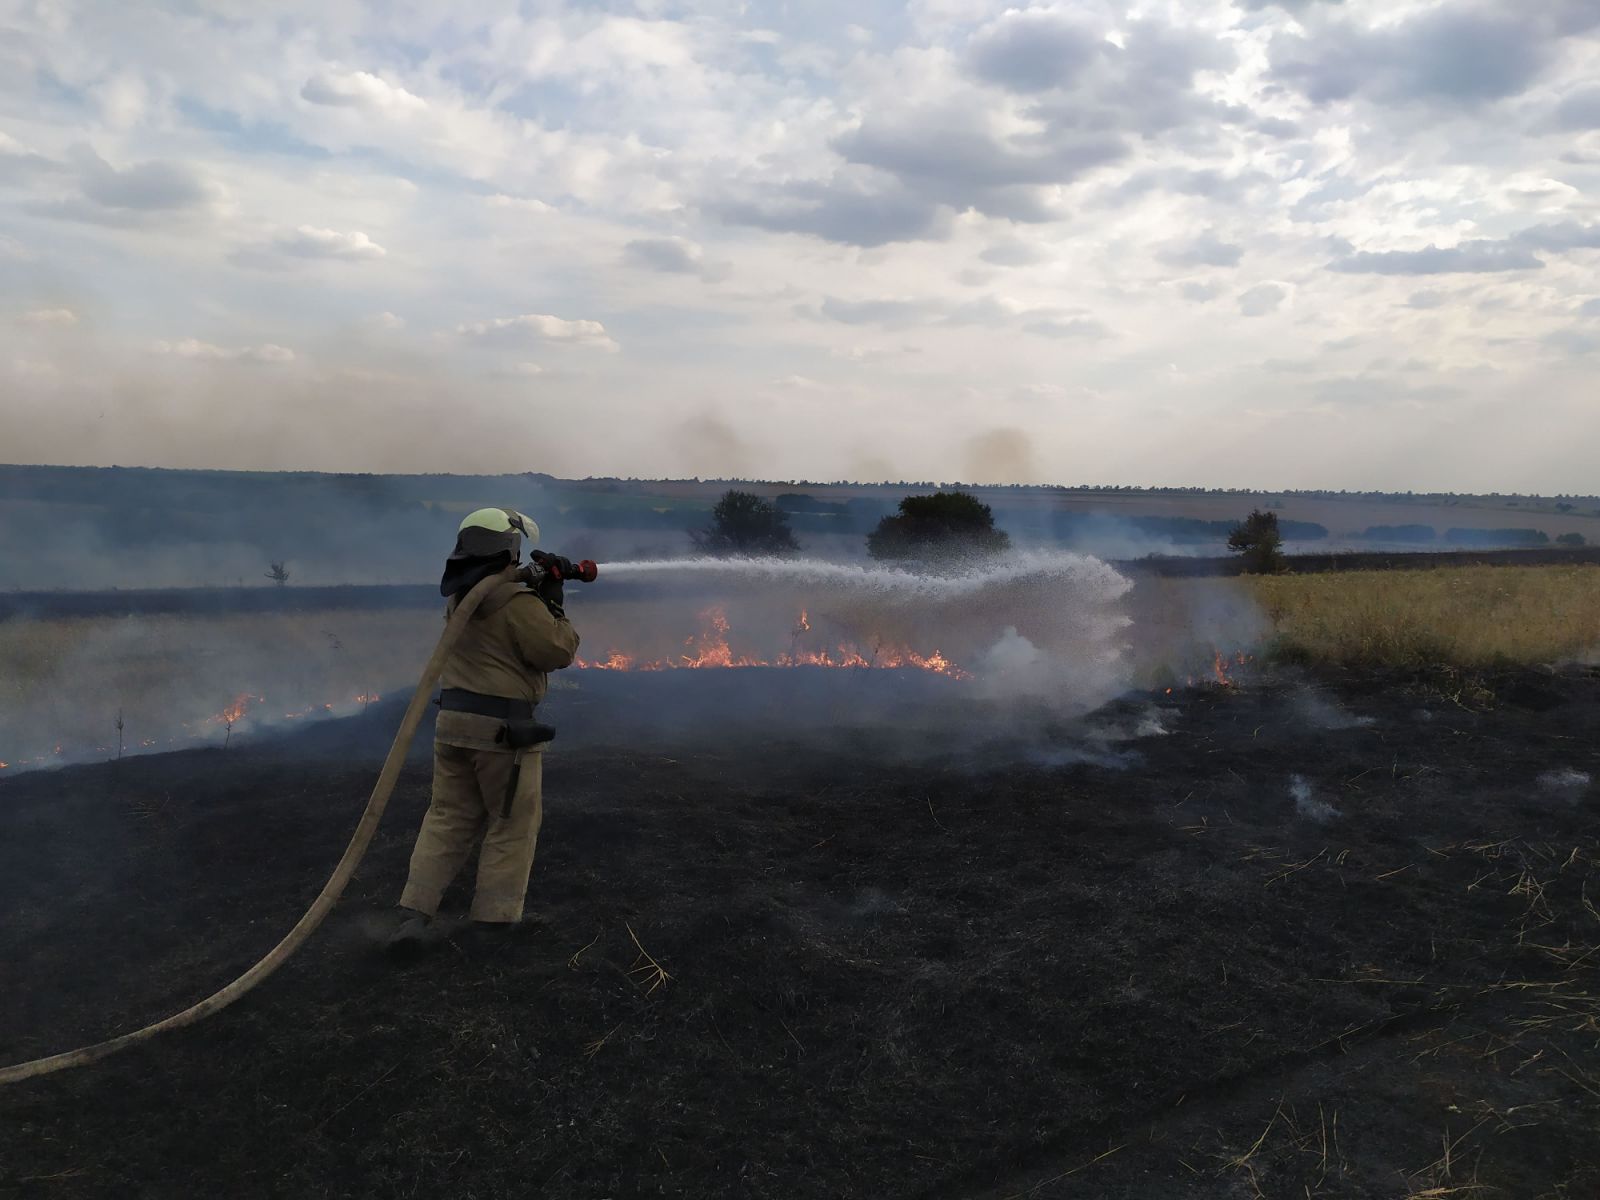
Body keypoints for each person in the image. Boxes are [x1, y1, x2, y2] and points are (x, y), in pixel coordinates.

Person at [388, 508, 580, 952]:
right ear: (510, 550)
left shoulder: (460, 598)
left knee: (447, 817)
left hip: (453, 727)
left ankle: (414, 912)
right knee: (511, 821)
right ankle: (493, 923)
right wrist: (553, 602)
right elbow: (556, 651)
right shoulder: (517, 603)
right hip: (501, 734)